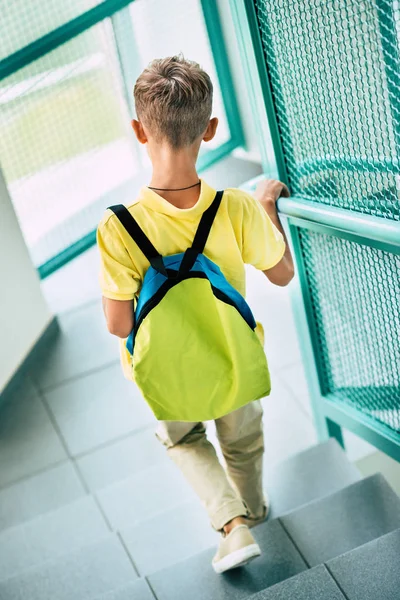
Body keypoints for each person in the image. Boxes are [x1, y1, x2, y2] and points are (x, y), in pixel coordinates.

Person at [97, 55, 294, 573]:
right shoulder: (237, 207)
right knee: (243, 439)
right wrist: (266, 207)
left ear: (139, 130)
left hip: (166, 371)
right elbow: (281, 274)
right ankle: (253, 506)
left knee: (184, 439)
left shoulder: (118, 227)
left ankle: (232, 524)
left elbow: (118, 325)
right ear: (210, 129)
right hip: (232, 356)